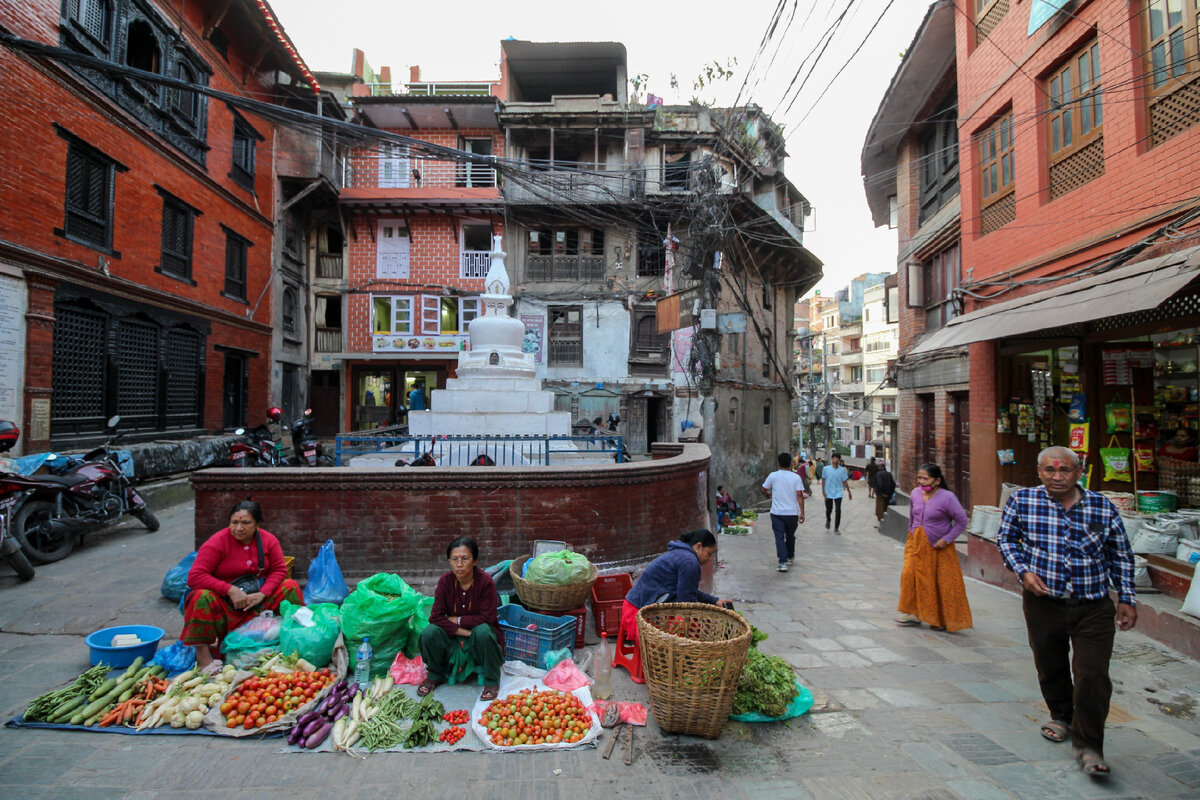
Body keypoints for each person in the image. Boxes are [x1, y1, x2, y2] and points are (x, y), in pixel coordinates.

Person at [996, 446, 1137, 779]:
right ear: (1039, 471)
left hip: (1093, 605)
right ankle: (1061, 716)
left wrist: (1127, 599)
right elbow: (1006, 539)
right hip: (1044, 603)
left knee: (1092, 674)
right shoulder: (1023, 502)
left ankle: (1089, 745)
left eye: (1064, 471)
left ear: (1079, 472)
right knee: (1050, 664)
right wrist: (1023, 571)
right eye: (1049, 471)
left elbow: (1121, 555)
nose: (1057, 477)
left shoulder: (1102, 507)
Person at [181, 500, 303, 669]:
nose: (239, 528)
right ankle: (203, 657)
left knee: (290, 586)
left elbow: (279, 570)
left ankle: (296, 641)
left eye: (245, 523)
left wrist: (263, 593)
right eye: (234, 522)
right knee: (201, 597)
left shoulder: (268, 540)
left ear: (257, 524)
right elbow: (195, 576)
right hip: (226, 604)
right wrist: (229, 590)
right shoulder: (217, 542)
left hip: (256, 600)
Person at [418, 536, 503, 701]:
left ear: (475, 561)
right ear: (449, 561)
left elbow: (488, 617)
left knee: (484, 631)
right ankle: (435, 675)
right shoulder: (445, 582)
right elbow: (436, 617)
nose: (459, 564)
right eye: (454, 559)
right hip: (455, 638)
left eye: (465, 559)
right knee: (430, 632)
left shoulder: (485, 583)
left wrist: (456, 620)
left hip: (480, 640)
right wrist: (465, 632)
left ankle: (492, 680)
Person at [895, 463, 972, 633]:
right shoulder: (915, 493)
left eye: (925, 478)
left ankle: (939, 618)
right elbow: (912, 516)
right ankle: (912, 613)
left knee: (939, 582)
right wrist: (911, 535)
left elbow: (962, 521)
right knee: (909, 576)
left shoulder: (947, 497)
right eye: (919, 478)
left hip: (938, 547)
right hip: (915, 544)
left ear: (937, 480)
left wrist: (947, 539)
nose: (921, 482)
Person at [621, 530, 731, 643]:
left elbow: (688, 591)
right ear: (699, 546)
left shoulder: (681, 554)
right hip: (637, 615)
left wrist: (715, 601)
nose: (710, 559)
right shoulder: (690, 562)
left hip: (633, 608)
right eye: (709, 553)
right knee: (689, 628)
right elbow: (687, 603)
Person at [761, 452, 806, 572]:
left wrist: (767, 495)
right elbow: (800, 495)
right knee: (790, 535)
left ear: (778, 463)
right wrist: (802, 512)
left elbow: (764, 489)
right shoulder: (796, 477)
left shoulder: (773, 476)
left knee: (779, 537)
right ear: (791, 463)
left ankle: (782, 562)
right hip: (791, 513)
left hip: (777, 513)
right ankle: (790, 555)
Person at [821, 453, 851, 534]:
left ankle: (836, 528)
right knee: (829, 510)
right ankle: (828, 519)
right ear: (832, 459)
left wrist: (849, 492)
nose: (836, 460)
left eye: (837, 458)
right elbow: (823, 480)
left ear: (839, 460)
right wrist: (823, 491)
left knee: (838, 510)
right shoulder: (826, 469)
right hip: (828, 492)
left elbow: (845, 481)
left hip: (838, 493)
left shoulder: (842, 470)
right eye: (834, 458)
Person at [874, 459, 896, 526]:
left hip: (881, 495)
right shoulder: (889, 474)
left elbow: (879, 484)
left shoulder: (878, 474)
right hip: (889, 495)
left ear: (880, 467)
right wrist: (890, 494)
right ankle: (886, 523)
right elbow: (893, 484)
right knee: (886, 509)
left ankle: (881, 524)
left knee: (880, 509)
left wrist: (882, 493)